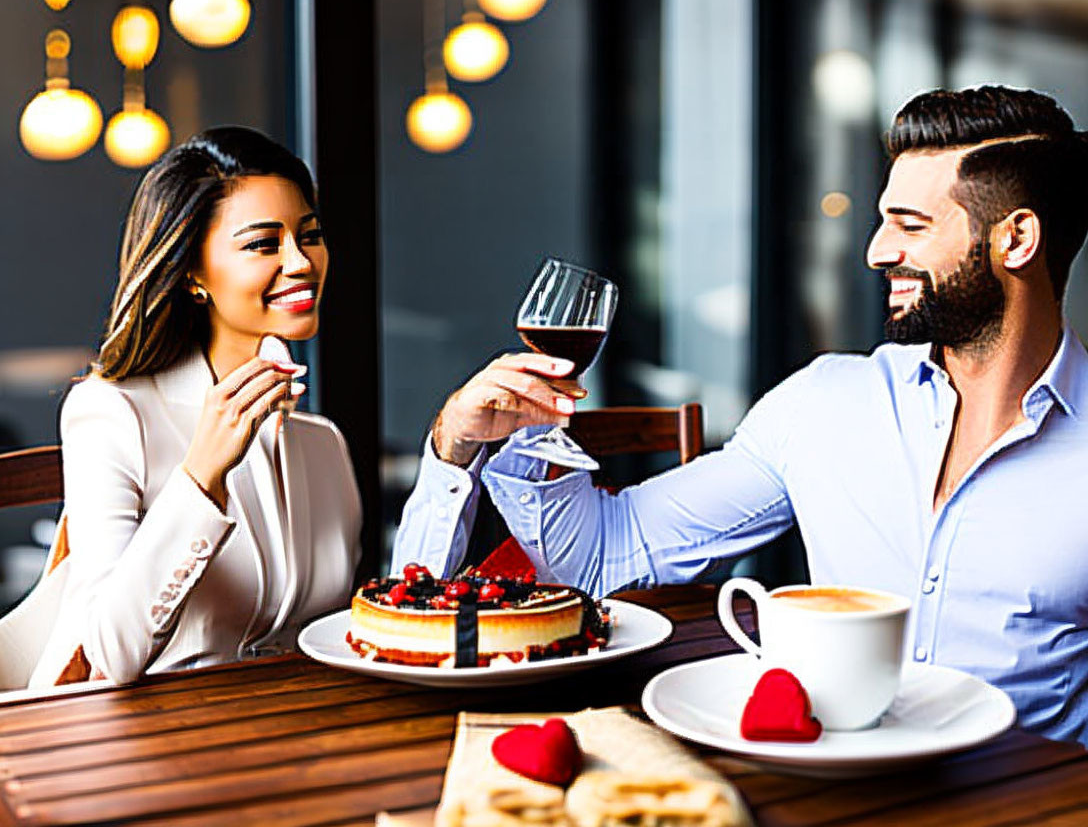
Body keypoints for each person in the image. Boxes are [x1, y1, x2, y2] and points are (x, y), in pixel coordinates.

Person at [393, 85, 1088, 745]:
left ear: (1016, 240)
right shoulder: (827, 405)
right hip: (832, 794)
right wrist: (474, 442)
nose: (878, 251)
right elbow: (605, 557)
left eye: (910, 225)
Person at [29, 127, 362, 687]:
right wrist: (201, 476)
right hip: (139, 747)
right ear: (192, 272)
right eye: (263, 243)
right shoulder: (109, 413)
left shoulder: (322, 441)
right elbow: (108, 654)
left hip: (300, 736)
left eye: (310, 234)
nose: (301, 261)